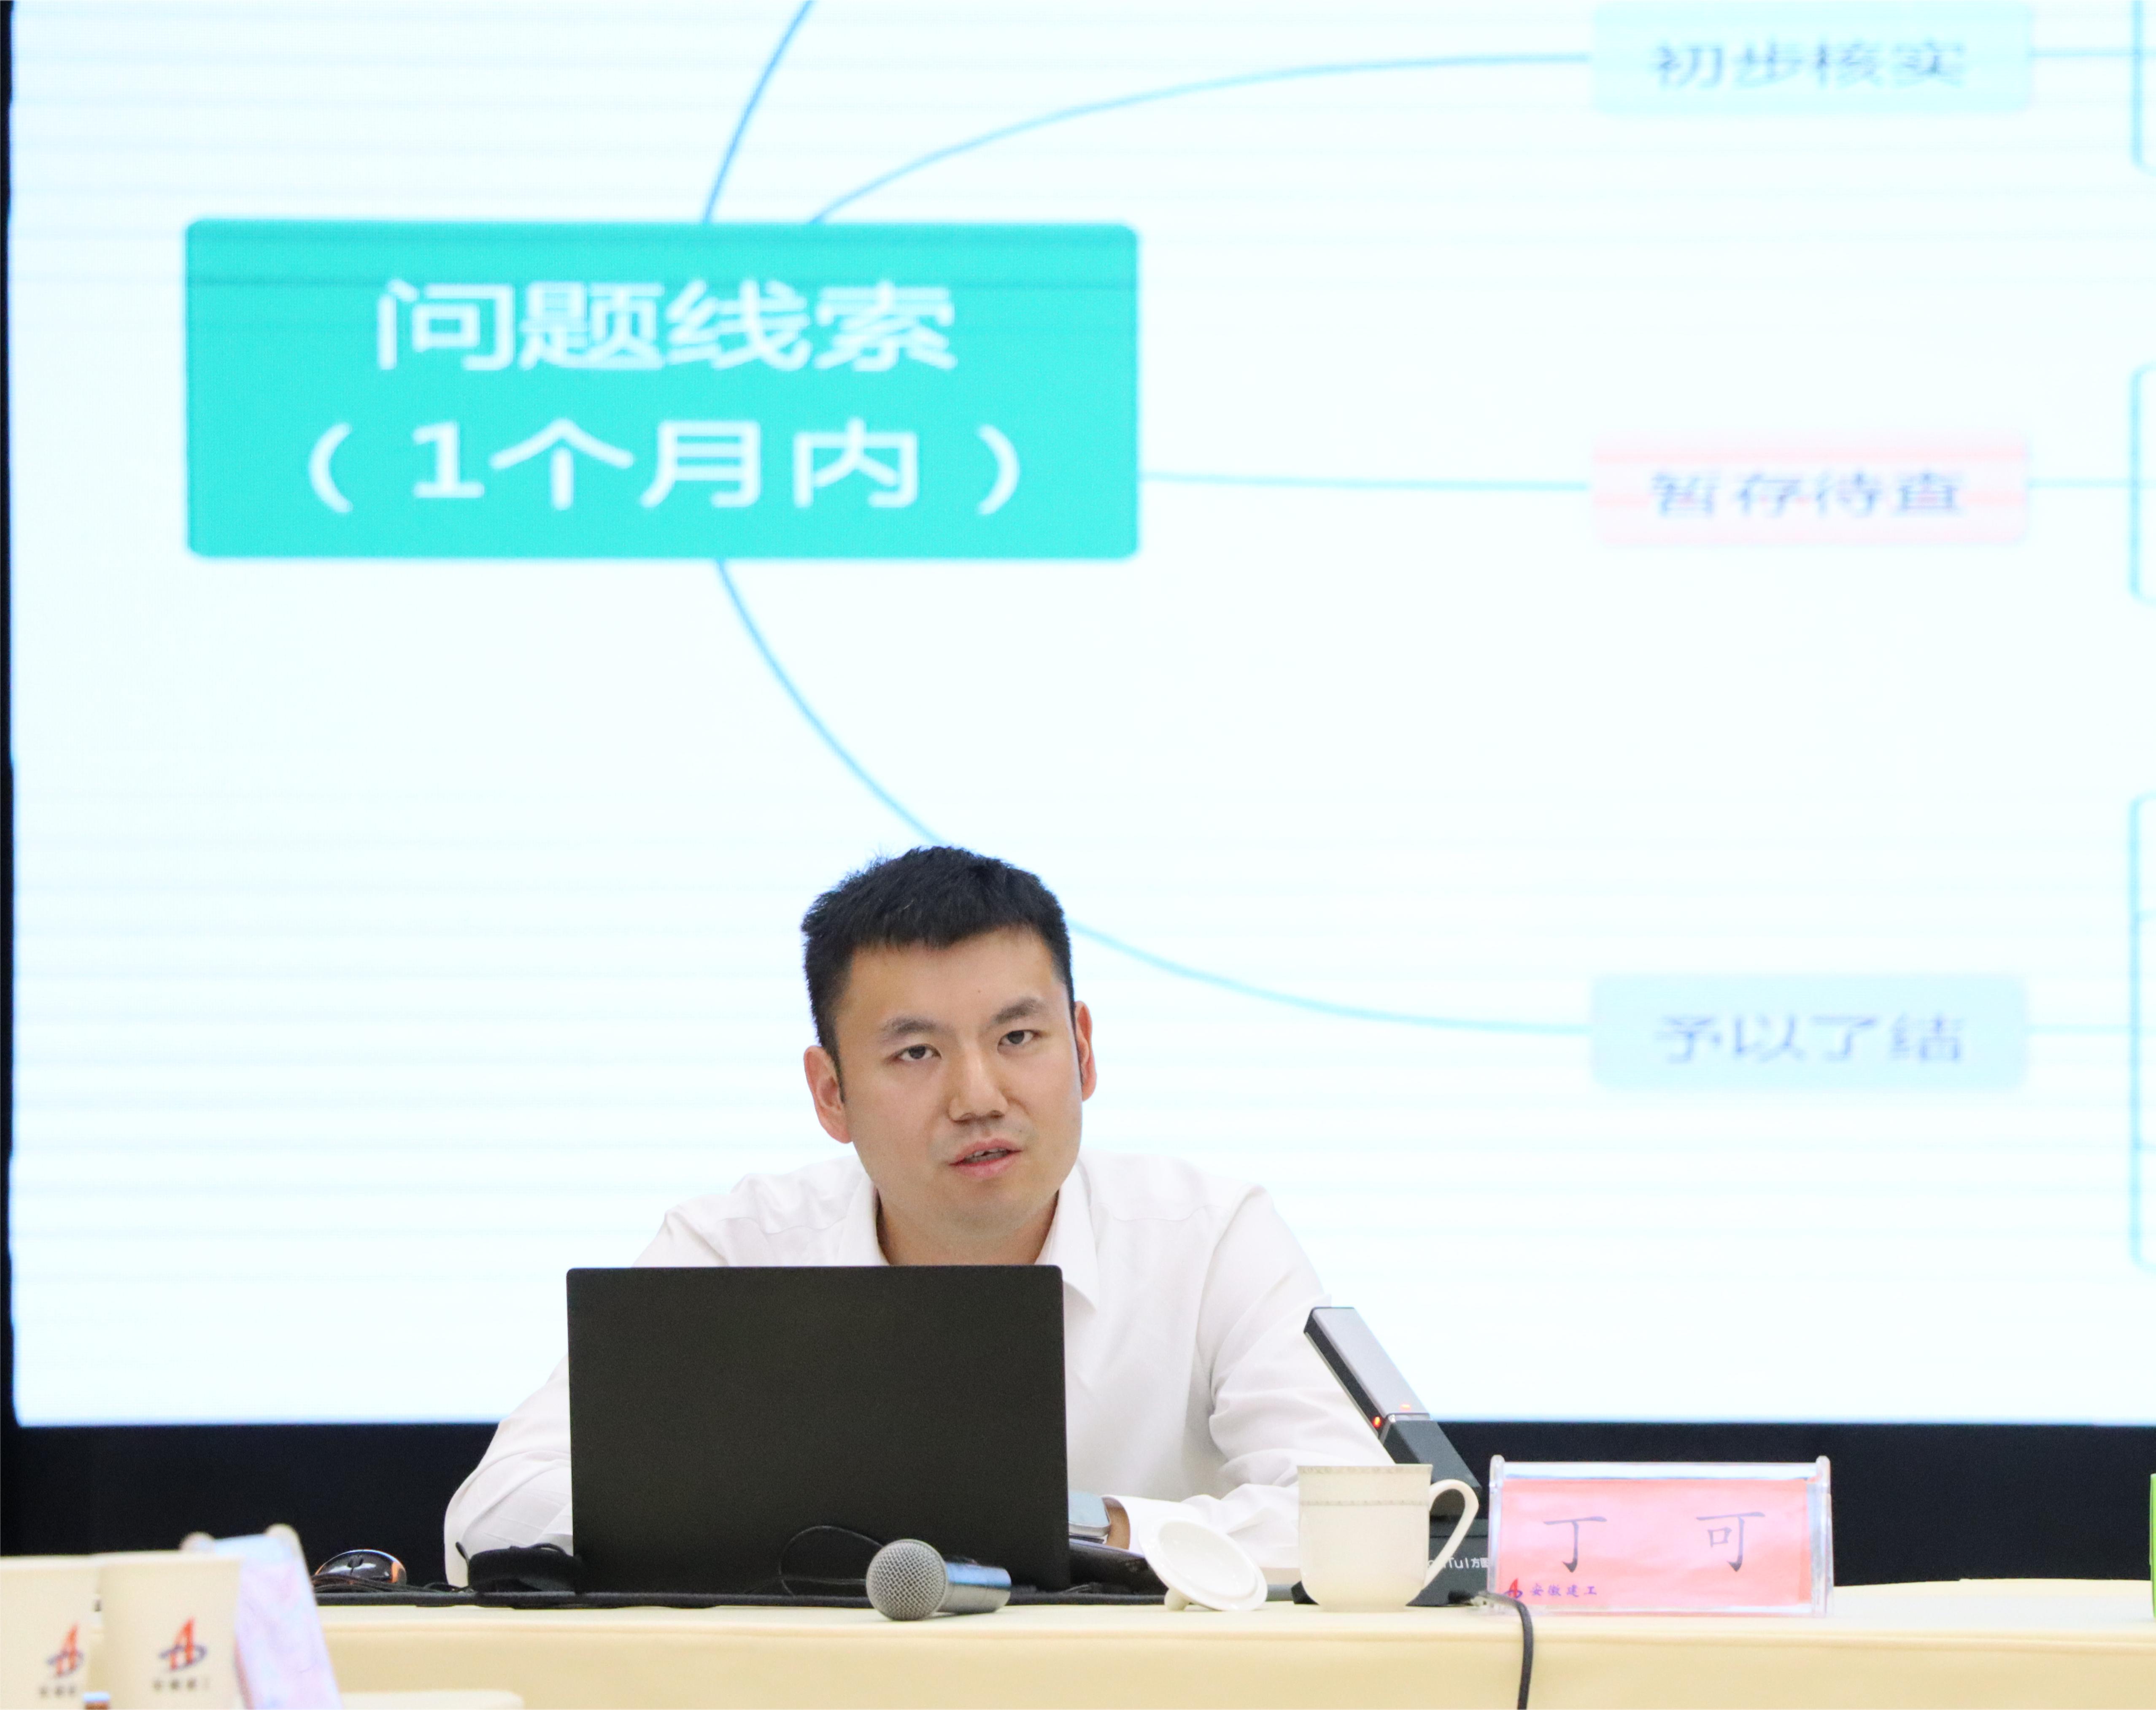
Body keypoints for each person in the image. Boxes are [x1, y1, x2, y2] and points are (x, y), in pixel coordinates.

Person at [443, 847, 1388, 1583]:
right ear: (831, 1092)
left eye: (1019, 1036)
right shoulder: (731, 1250)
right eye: (916, 1054)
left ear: (1084, 1048)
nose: (978, 1097)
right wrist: (850, 1524)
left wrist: (1075, 1525)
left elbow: (1360, 1519)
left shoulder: (1210, 1236)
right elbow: (492, 1513)